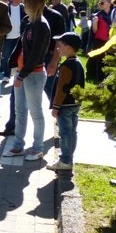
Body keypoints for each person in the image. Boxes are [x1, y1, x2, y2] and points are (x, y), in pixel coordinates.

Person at [3, 0, 51, 162]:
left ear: (32, 4)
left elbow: (37, 54)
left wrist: (22, 75)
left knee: (35, 112)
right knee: (20, 111)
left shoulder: (41, 25)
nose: (24, 5)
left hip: (34, 74)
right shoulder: (30, 22)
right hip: (23, 72)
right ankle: (18, 146)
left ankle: (38, 148)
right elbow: (21, 45)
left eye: (27, 2)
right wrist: (12, 64)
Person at [46, 32, 85, 172]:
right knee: (72, 132)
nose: (58, 49)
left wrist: (56, 106)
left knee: (65, 134)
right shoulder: (78, 63)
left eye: (60, 46)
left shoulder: (66, 66)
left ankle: (65, 160)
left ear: (68, 48)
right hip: (75, 104)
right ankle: (69, 158)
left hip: (65, 105)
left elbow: (62, 89)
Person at [86, 0, 113, 82]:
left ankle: (105, 78)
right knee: (99, 60)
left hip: (109, 41)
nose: (100, 4)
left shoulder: (113, 14)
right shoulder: (97, 15)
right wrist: (94, 23)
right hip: (99, 41)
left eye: (102, 3)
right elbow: (94, 31)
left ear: (109, 3)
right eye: (100, 3)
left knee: (108, 60)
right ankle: (98, 78)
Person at [2, 0, 25, 79]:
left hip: (18, 37)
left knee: (16, 56)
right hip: (7, 36)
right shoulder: (5, 7)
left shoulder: (23, 8)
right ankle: (6, 74)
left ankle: (14, 74)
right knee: (6, 56)